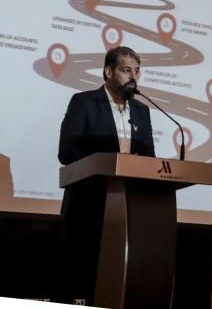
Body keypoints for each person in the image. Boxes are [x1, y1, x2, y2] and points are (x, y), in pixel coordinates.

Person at [57, 46, 155, 305]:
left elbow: (149, 159)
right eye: (126, 70)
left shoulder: (142, 110)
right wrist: (111, 162)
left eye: (137, 71)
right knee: (82, 281)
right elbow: (67, 152)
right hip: (88, 206)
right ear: (109, 72)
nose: (133, 77)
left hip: (129, 209)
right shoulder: (84, 102)